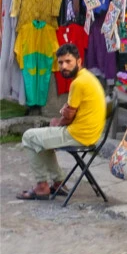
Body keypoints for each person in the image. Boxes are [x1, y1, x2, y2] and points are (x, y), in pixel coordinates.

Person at [17, 43, 106, 200]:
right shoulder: (87, 77)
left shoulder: (78, 83)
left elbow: (68, 117)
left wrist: (57, 122)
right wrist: (60, 120)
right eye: (60, 62)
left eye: (68, 61)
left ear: (79, 62)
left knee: (28, 137)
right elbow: (71, 111)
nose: (64, 66)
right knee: (42, 139)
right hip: (88, 134)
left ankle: (41, 186)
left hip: (79, 135)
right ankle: (58, 182)